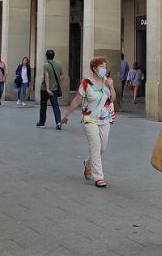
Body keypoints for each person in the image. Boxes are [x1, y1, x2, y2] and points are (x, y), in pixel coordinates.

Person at [62, 57, 115, 188]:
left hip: (104, 119)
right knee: (95, 146)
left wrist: (111, 86)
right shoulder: (86, 83)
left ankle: (88, 163)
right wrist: (67, 115)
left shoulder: (106, 83)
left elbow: (112, 99)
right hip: (89, 118)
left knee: (102, 147)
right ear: (94, 68)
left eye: (105, 67)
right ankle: (99, 177)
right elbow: (77, 100)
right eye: (101, 67)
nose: (104, 69)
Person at [37, 49, 64, 130]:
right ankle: (58, 122)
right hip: (55, 89)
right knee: (55, 106)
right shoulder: (58, 65)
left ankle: (42, 122)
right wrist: (58, 84)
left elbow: (46, 76)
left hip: (45, 89)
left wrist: (48, 88)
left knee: (43, 106)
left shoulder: (46, 65)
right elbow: (62, 76)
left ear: (46, 56)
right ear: (54, 56)